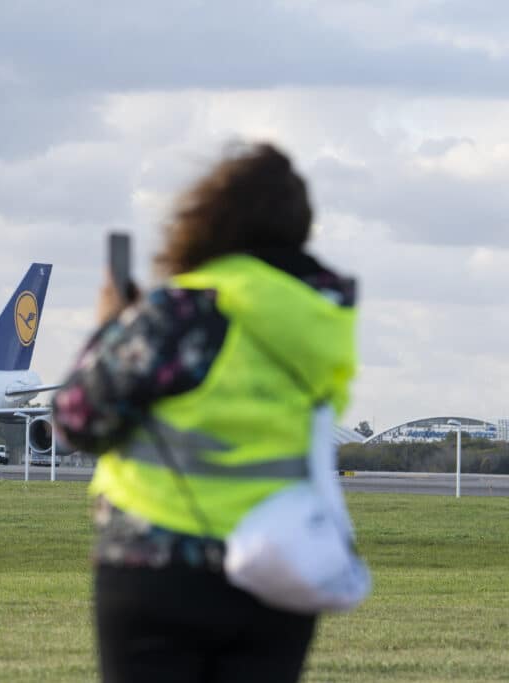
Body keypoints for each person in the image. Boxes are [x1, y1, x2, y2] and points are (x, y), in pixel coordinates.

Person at [53, 142, 356, 683]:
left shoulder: (186, 310)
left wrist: (110, 326)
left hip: (158, 564)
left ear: (206, 218)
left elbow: (78, 419)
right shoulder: (324, 321)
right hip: (276, 567)